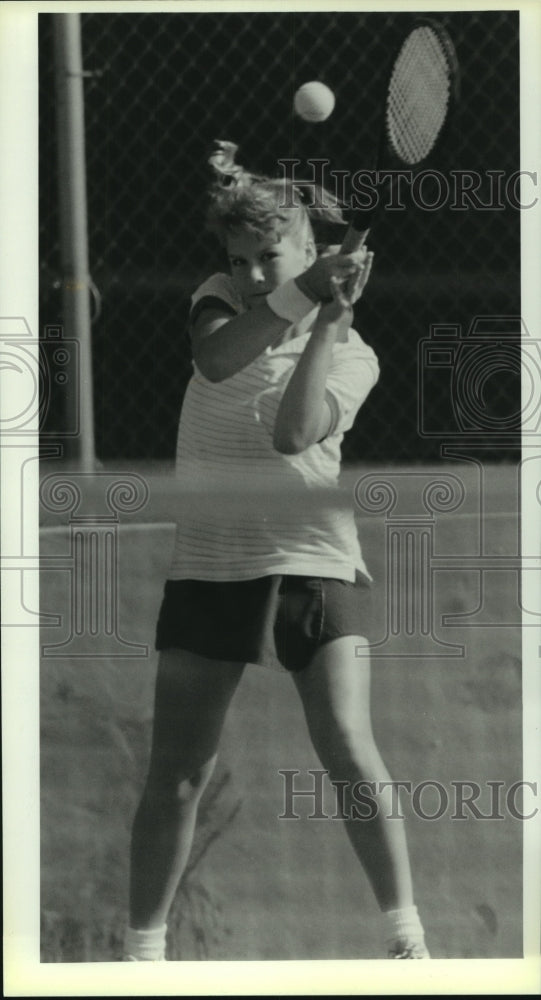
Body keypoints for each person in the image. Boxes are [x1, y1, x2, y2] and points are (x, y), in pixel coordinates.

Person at [123, 158, 430, 962]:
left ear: (311, 249)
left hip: (313, 562)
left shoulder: (355, 355)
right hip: (209, 566)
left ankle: (405, 940)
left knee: (345, 744)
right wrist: (298, 293)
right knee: (180, 774)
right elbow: (217, 364)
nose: (252, 275)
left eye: (272, 258)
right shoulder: (218, 306)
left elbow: (291, 436)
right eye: (239, 260)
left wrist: (326, 323)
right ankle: (142, 954)